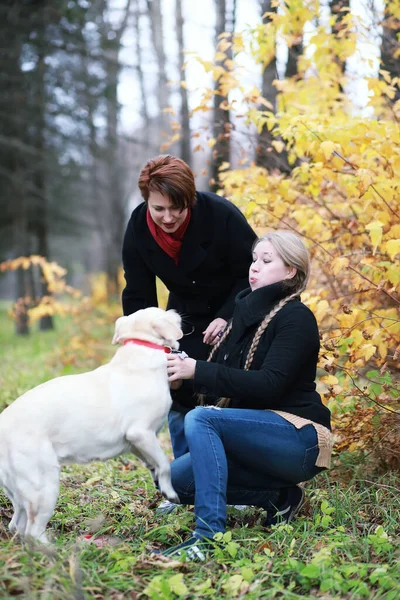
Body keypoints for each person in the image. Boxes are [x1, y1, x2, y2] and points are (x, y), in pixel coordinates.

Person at [162, 230, 332, 561]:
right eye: (254, 259)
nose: (254, 267)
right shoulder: (245, 317)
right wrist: (180, 382)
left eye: (267, 261)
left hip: (300, 437)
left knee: (203, 419)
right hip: (255, 438)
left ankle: (208, 538)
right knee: (173, 481)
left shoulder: (296, 317)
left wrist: (197, 370)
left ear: (291, 271)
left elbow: (269, 385)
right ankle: (279, 497)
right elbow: (224, 388)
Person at [121, 154, 257, 459]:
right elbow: (138, 292)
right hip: (185, 315)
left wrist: (228, 316)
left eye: (176, 209)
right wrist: (145, 342)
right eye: (158, 209)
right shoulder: (138, 228)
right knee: (176, 384)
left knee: (229, 389)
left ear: (190, 200)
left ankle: (237, 478)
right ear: (147, 201)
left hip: (235, 308)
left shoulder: (221, 214)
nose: (167, 218)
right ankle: (185, 479)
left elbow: (253, 274)